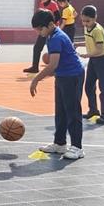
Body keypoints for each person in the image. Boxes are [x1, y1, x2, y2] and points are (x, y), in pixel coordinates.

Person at [29, 9, 85, 160]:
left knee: (72, 111)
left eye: (40, 29)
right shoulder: (51, 35)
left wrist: (36, 79)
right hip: (63, 75)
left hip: (72, 75)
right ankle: (60, 143)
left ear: (50, 24)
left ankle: (77, 147)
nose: (39, 33)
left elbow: (53, 64)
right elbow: (56, 65)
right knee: (60, 110)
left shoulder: (56, 37)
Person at [79, 5, 104, 124]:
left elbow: (99, 49)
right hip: (94, 60)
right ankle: (93, 110)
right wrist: (78, 44)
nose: (85, 23)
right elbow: (89, 41)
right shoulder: (87, 28)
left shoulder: (97, 30)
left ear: (95, 18)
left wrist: (86, 55)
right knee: (89, 86)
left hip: (103, 60)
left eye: (88, 21)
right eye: (83, 21)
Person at [24, 0, 60, 73]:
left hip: (51, 30)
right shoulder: (41, 4)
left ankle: (54, 68)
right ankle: (35, 67)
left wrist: (49, 26)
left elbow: (58, 16)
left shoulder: (53, 4)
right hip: (43, 30)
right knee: (37, 47)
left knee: (52, 48)